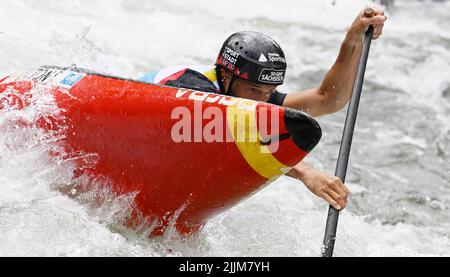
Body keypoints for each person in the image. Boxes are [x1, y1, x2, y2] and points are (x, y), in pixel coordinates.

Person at [139, 7, 387, 211]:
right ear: (226, 75)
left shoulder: (251, 96)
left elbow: (327, 100)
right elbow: (228, 137)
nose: (262, 100)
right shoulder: (193, 86)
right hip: (146, 122)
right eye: (254, 90)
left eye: (268, 92)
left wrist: (352, 42)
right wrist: (306, 173)